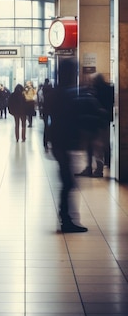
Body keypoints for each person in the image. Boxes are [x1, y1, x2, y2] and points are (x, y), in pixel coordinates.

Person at [49, 58, 88, 233]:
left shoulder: (58, 91)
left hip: (59, 142)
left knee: (68, 181)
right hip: (62, 143)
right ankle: (66, 219)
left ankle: (66, 218)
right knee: (68, 182)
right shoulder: (66, 93)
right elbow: (67, 119)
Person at [75, 73, 113, 177]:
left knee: (93, 146)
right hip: (103, 120)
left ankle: (94, 168)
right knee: (101, 145)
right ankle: (104, 165)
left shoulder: (93, 90)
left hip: (93, 122)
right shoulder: (109, 89)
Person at [42, 78, 54, 151]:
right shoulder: (52, 94)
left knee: (46, 127)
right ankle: (51, 141)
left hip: (45, 111)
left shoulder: (44, 93)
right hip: (52, 111)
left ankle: (45, 143)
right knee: (51, 126)